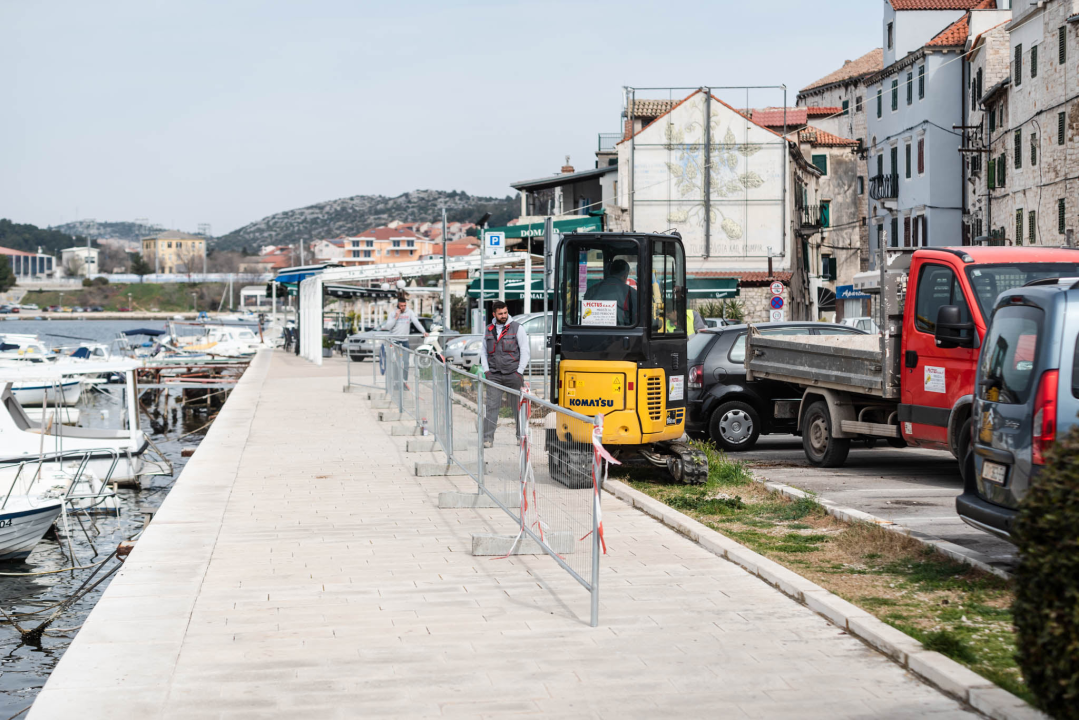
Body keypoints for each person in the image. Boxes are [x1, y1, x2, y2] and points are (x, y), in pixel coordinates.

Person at [480, 300, 530, 448]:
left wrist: (519, 372)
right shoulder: (488, 330)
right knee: (491, 407)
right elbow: (483, 352)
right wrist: (487, 371)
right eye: (500, 313)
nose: (503, 316)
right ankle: (488, 439)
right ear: (494, 314)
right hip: (494, 375)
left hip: (513, 374)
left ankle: (520, 437)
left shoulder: (517, 328)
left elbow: (525, 351)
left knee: (518, 407)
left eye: (505, 313)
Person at [381, 297, 427, 382]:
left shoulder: (409, 312)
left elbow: (416, 322)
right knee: (395, 363)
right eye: (401, 306)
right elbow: (388, 327)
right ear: (398, 305)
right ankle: (395, 382)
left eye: (404, 305)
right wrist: (396, 317)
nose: (403, 307)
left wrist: (423, 331)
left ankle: (404, 382)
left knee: (405, 363)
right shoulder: (392, 313)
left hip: (404, 341)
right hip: (394, 341)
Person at [583, 259, 636, 325]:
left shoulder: (592, 290)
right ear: (625, 275)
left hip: (591, 330)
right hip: (620, 330)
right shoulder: (630, 292)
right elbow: (636, 318)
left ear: (610, 272)